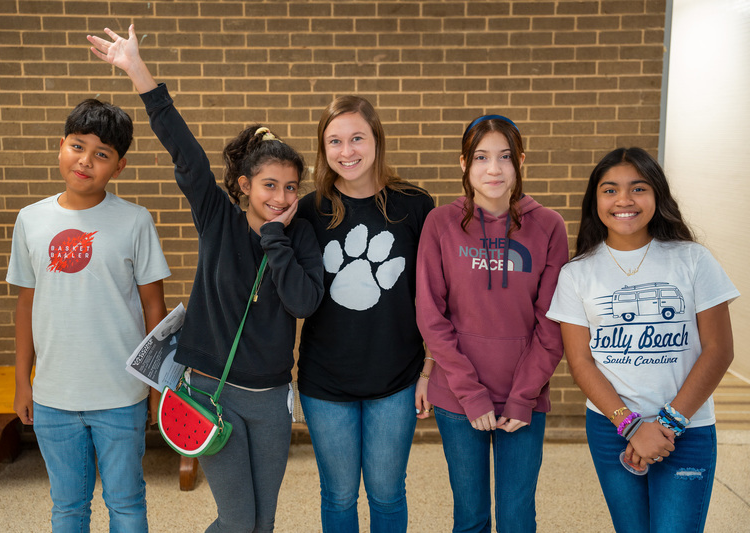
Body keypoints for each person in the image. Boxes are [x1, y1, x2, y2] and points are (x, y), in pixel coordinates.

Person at [87, 26, 324, 532]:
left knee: (264, 522)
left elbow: (303, 302)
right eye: (268, 185)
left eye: (290, 187)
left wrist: (278, 240)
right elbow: (184, 149)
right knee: (237, 521)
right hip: (210, 392)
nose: (280, 196)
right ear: (244, 185)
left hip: (272, 400)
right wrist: (137, 70)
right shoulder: (217, 217)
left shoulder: (299, 237)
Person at [546, 147, 738, 533]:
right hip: (612, 428)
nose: (624, 200)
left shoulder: (692, 259)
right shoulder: (577, 273)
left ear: (657, 196)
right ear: (595, 199)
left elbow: (719, 350)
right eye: (610, 189)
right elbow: (581, 362)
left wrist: (667, 424)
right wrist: (632, 427)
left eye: (638, 188)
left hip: (687, 428)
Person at [8, 98, 170, 532]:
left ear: (118, 167)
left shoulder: (135, 221)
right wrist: (24, 381)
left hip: (121, 395)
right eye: (78, 146)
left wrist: (157, 386)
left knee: (127, 504)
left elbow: (155, 307)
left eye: (102, 154)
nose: (86, 161)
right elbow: (26, 305)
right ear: (60, 146)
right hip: (53, 398)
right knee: (67, 508)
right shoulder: (30, 220)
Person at [415, 115, 568, 532]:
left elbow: (552, 323)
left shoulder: (549, 225)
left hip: (524, 399)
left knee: (518, 519)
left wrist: (522, 397)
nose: (494, 169)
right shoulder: (440, 223)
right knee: (471, 518)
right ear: (464, 163)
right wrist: (471, 394)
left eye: (504, 157)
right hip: (457, 398)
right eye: (481, 157)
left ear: (520, 162)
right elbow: (431, 316)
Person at [294, 94, 435, 533]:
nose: (347, 151)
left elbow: (434, 297)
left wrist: (429, 371)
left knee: (387, 492)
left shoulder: (415, 205)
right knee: (337, 494)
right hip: (326, 378)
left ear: (377, 139)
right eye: (334, 141)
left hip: (396, 376)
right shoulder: (307, 210)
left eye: (357, 138)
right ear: (323, 148)